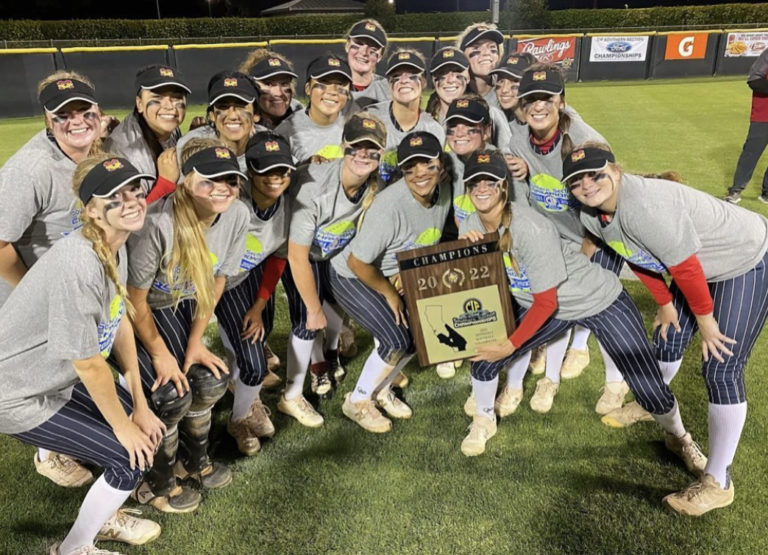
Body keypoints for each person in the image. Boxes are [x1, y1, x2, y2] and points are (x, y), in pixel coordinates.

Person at [459, 151, 706, 492]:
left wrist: (511, 343)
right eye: (475, 182)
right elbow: (483, 279)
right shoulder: (469, 224)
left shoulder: (529, 226)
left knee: (649, 389)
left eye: (491, 181)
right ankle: (483, 419)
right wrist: (465, 251)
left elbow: (547, 301)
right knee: (483, 353)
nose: (482, 188)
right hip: (547, 306)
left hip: (599, 301)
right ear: (467, 187)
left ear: (504, 187)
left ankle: (679, 437)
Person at [565, 143, 768, 516]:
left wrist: (707, 324)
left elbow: (687, 269)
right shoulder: (594, 215)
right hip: (696, 266)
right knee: (669, 334)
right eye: (577, 180)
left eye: (595, 173)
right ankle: (649, 403)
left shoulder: (645, 207)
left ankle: (718, 482)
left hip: (743, 258)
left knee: (721, 367)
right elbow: (637, 256)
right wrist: (664, 303)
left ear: (615, 169)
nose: (588, 184)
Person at [0, 154, 166, 554]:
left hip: (51, 378)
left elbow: (119, 317)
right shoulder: (79, 262)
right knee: (129, 459)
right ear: (91, 210)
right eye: (114, 195)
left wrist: (139, 405)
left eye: (134, 189)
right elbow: (89, 365)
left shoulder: (115, 243)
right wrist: (124, 427)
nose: (131, 200)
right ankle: (74, 548)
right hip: (16, 393)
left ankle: (104, 511)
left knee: (144, 431)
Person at [126, 139, 249, 513]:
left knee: (211, 380)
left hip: (185, 307)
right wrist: (161, 355)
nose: (222, 188)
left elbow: (216, 283)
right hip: (141, 314)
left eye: (230, 179)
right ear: (186, 182)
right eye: (209, 179)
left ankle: (191, 461)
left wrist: (196, 342)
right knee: (170, 395)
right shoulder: (159, 223)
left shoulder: (238, 215)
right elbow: (134, 300)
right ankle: (155, 481)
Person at [512, 64, 634, 421]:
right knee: (560, 305)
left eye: (546, 98)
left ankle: (616, 382)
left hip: (599, 236)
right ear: (522, 105)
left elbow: (610, 201)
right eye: (531, 99)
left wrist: (590, 244)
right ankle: (552, 374)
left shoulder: (584, 140)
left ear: (561, 102)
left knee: (603, 310)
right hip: (558, 241)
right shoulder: (519, 139)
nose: (538, 106)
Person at [0, 71, 104, 488]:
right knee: (42, 373)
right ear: (48, 119)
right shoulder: (29, 169)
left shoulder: (94, 149)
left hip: (70, 283)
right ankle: (49, 453)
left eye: (84, 110)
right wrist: (31, 296)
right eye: (64, 114)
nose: (76, 120)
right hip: (26, 288)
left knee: (73, 365)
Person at [330, 131, 451, 433]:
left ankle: (380, 390)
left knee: (419, 333)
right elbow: (357, 262)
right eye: (410, 166)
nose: (420, 172)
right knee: (396, 338)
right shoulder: (390, 206)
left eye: (427, 163)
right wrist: (389, 292)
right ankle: (357, 401)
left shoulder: (445, 190)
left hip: (394, 272)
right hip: (353, 273)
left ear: (441, 164)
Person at [282, 112, 386, 425]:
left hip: (333, 252)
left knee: (337, 313)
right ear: (343, 146)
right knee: (307, 319)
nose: (363, 156)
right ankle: (291, 394)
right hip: (298, 253)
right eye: (356, 147)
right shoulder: (315, 188)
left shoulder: (375, 184)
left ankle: (328, 357)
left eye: (372, 150)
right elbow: (297, 256)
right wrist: (313, 308)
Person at [215, 132, 294, 455]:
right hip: (201, 285)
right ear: (249, 171)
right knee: (251, 362)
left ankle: (241, 413)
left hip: (242, 278)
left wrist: (260, 304)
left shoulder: (288, 207)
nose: (274, 179)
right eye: (265, 171)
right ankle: (238, 416)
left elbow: (278, 256)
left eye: (282, 171)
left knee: (253, 352)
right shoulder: (231, 206)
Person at [104, 64, 191, 203]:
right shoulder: (129, 154)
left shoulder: (166, 126)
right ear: (139, 104)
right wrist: (165, 184)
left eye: (176, 98)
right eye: (157, 98)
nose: (169, 106)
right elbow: (127, 215)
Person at [366, 49, 445, 185]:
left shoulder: (433, 130)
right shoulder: (370, 118)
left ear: (424, 81)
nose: (404, 81)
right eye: (396, 76)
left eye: (412, 76)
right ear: (389, 85)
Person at [426, 47, 511, 151]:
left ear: (468, 77)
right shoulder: (426, 121)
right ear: (434, 80)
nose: (450, 80)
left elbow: (508, 158)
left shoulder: (491, 114)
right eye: (442, 73)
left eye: (457, 72)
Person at [275, 54, 353, 164]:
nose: (332, 91)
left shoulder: (356, 126)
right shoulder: (287, 132)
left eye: (340, 84)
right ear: (308, 89)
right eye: (324, 82)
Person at [725, 46, 768, 204]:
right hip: (763, 115)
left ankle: (766, 194)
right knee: (751, 153)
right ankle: (735, 190)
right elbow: (754, 80)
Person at [240, 48, 304, 130]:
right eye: (268, 84)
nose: (279, 93)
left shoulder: (303, 117)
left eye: (284, 83)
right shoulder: (238, 124)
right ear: (250, 86)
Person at [456, 22, 504, 109]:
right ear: (462, 56)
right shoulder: (454, 91)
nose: (486, 53)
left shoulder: (506, 91)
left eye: (492, 48)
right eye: (476, 48)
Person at [345, 18, 390, 108]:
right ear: (347, 46)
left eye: (373, 48)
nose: (364, 52)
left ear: (380, 56)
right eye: (359, 43)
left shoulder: (389, 90)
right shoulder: (330, 86)